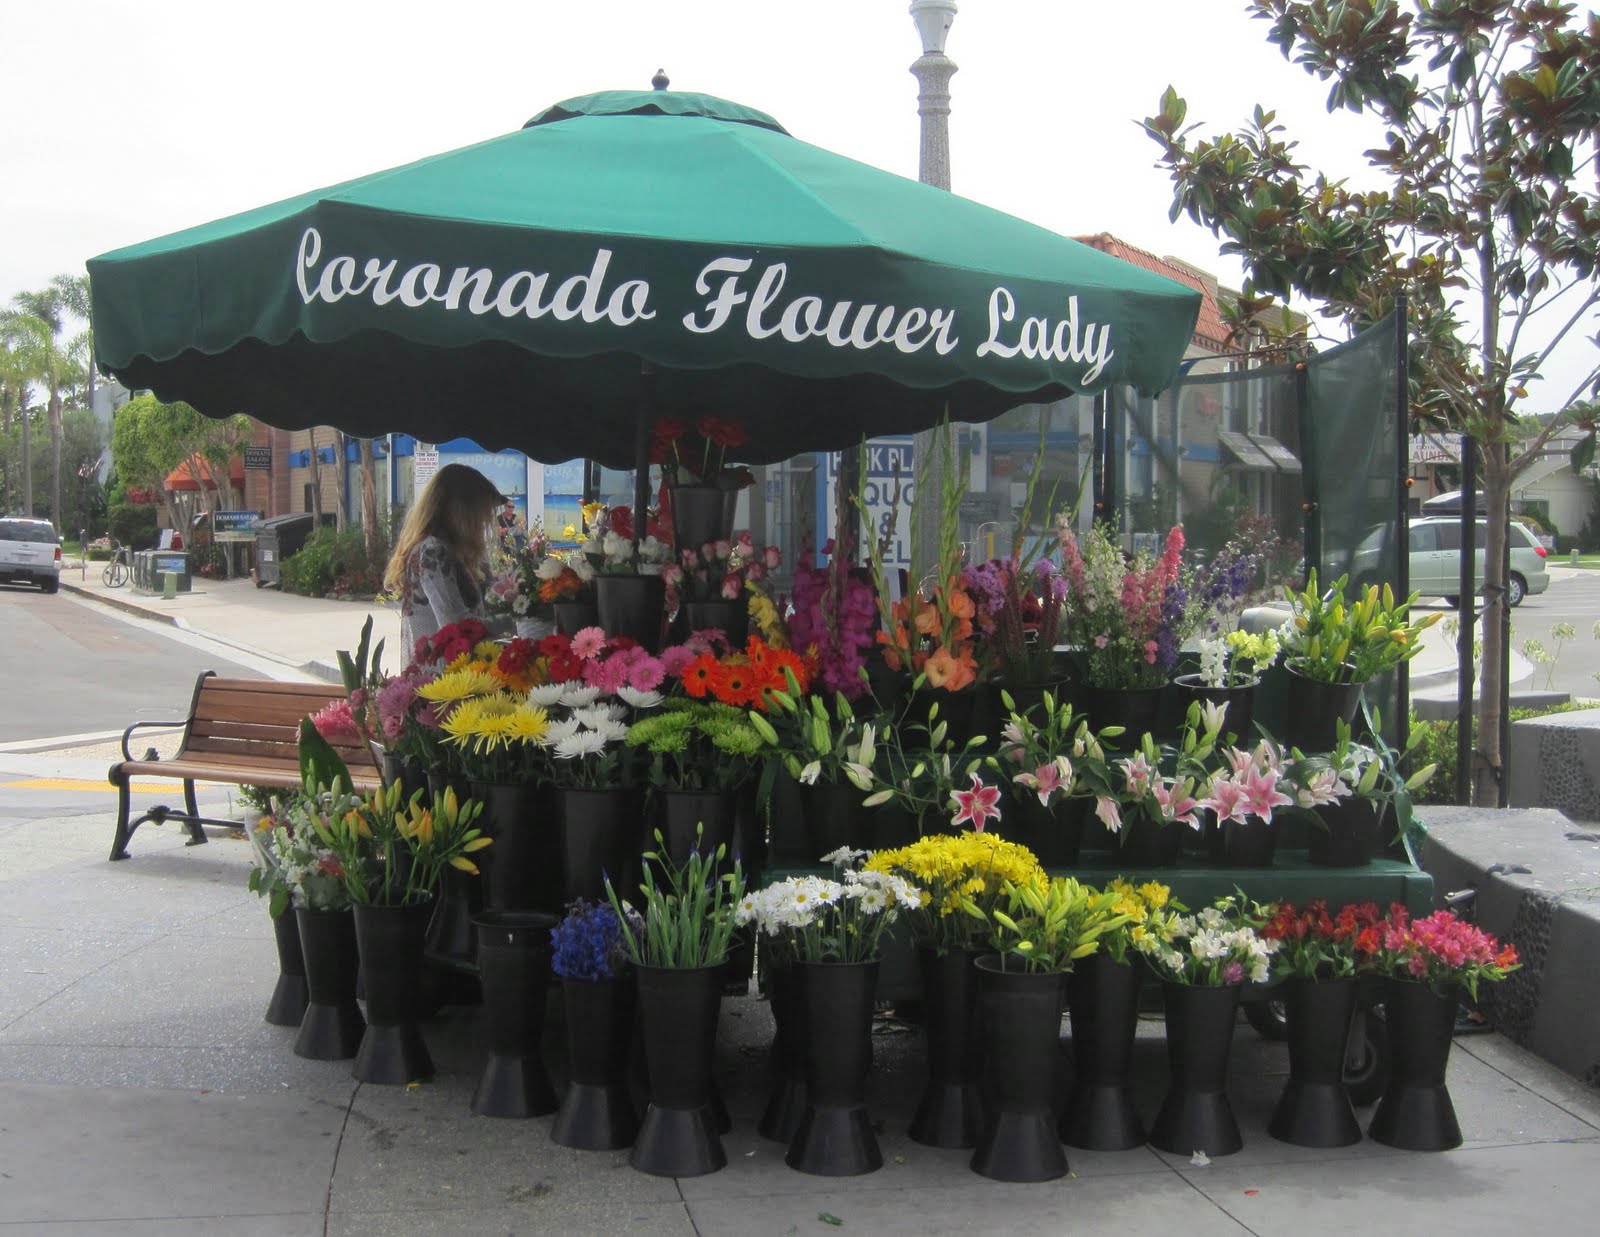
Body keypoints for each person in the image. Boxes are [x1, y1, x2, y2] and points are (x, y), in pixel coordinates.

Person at [385, 463, 503, 660]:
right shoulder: (433, 551)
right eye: (480, 514)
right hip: (443, 682)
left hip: (452, 677)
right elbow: (455, 626)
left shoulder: (448, 551)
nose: (483, 524)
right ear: (462, 512)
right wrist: (510, 621)